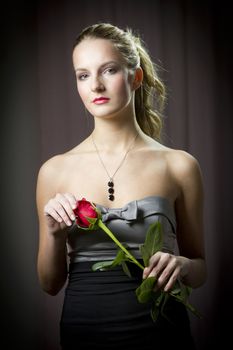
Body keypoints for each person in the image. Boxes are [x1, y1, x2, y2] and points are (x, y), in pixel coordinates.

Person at [36, 23, 207, 350]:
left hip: (162, 333)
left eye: (109, 70)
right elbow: (49, 284)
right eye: (83, 75)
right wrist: (54, 233)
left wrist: (182, 265)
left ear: (135, 77)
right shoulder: (53, 171)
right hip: (83, 334)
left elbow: (200, 269)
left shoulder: (179, 165)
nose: (95, 85)